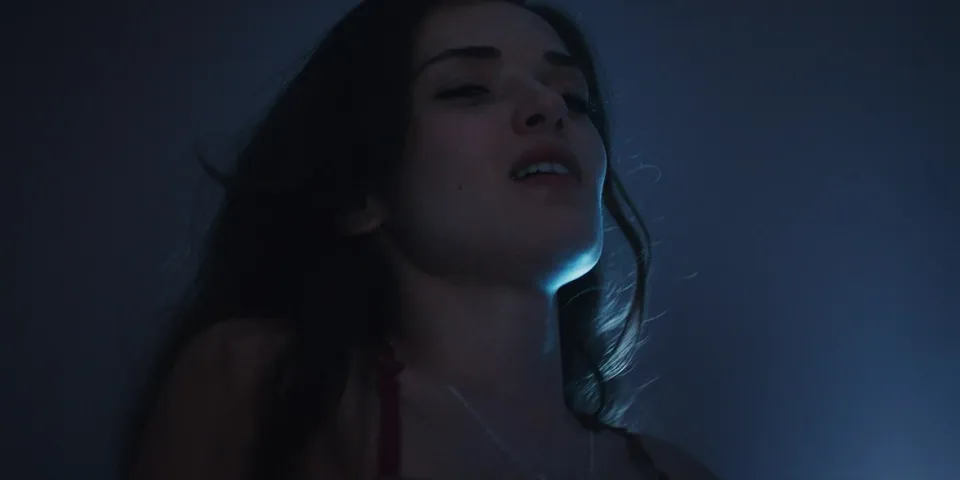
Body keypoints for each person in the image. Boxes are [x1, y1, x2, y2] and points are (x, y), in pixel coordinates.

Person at [123, 0, 721, 479]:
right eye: (468, 89)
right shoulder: (267, 387)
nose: (548, 106)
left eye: (574, 97)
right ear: (361, 192)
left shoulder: (676, 472)